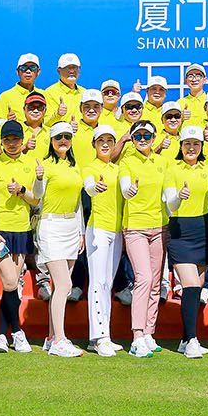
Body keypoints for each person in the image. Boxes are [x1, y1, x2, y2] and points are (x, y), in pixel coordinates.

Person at [0, 120, 40, 353]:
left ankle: (1, 335)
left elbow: (35, 199)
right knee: (10, 282)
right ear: (1, 141)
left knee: (12, 287)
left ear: (22, 140)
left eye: (15, 139)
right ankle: (17, 331)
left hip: (22, 229)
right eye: (7, 140)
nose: (11, 144)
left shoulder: (31, 163)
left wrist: (21, 190)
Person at [35, 122, 86, 357]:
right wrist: (38, 178)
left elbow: (78, 204)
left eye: (67, 136)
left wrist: (81, 232)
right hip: (50, 226)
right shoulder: (45, 166)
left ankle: (51, 337)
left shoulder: (75, 167)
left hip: (71, 227)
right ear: (52, 141)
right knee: (64, 285)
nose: (63, 140)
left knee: (61, 287)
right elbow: (37, 195)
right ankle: (59, 340)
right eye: (59, 137)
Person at [119, 120, 169, 358]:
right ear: (132, 138)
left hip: (159, 226)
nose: (142, 140)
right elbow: (124, 187)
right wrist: (129, 191)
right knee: (144, 278)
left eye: (146, 136)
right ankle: (137, 336)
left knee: (155, 281)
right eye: (137, 136)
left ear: (154, 137)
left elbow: (168, 192)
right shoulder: (127, 161)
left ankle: (149, 331)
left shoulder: (162, 162)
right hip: (135, 227)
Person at [164, 125, 208, 358]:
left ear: (201, 146)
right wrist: (179, 197)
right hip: (180, 230)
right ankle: (192, 339)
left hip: (203, 229)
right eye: (187, 144)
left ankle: (186, 339)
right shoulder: (172, 169)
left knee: (198, 285)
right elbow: (170, 203)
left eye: (196, 144)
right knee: (191, 285)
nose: (191, 148)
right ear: (181, 145)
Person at [81, 122, 125, 356]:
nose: (105, 145)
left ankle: (101, 335)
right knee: (98, 282)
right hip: (98, 229)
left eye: (109, 141)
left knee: (107, 282)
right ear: (94, 144)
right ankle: (100, 337)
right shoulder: (90, 167)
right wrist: (95, 188)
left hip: (117, 230)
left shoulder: (118, 169)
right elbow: (89, 187)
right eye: (101, 141)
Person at [0, 53, 44, 122]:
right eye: (24, 68)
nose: (28, 71)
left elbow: (47, 121)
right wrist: (7, 122)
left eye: (32, 68)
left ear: (38, 72)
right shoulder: (6, 96)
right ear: (18, 72)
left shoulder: (43, 94)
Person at [42, 53, 83, 127]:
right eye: (67, 68)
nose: (72, 71)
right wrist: (57, 114)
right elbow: (45, 123)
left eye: (74, 67)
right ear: (59, 71)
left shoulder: (84, 92)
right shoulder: (49, 93)